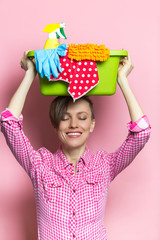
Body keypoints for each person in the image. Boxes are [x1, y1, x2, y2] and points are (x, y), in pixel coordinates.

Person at [0, 51, 151, 240]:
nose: (74, 125)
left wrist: (122, 80)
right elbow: (9, 124)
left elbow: (142, 131)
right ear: (56, 125)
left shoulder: (104, 165)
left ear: (92, 124)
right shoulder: (40, 164)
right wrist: (30, 73)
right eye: (65, 118)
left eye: (82, 117)